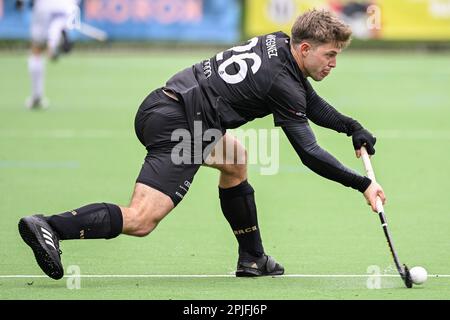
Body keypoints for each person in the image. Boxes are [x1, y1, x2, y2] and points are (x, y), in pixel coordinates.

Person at [18, 9, 386, 280]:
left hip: (173, 105)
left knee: (235, 159)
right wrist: (364, 184)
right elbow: (308, 153)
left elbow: (309, 102)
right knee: (143, 218)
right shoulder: (281, 82)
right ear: (305, 48)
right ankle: (50, 225)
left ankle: (252, 259)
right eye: (330, 55)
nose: (334, 63)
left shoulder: (278, 43)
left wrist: (350, 126)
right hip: (181, 124)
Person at [15, 0, 77, 109]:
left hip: (43, 6)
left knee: (37, 49)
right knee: (57, 26)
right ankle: (54, 42)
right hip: (65, 6)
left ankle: (36, 96)